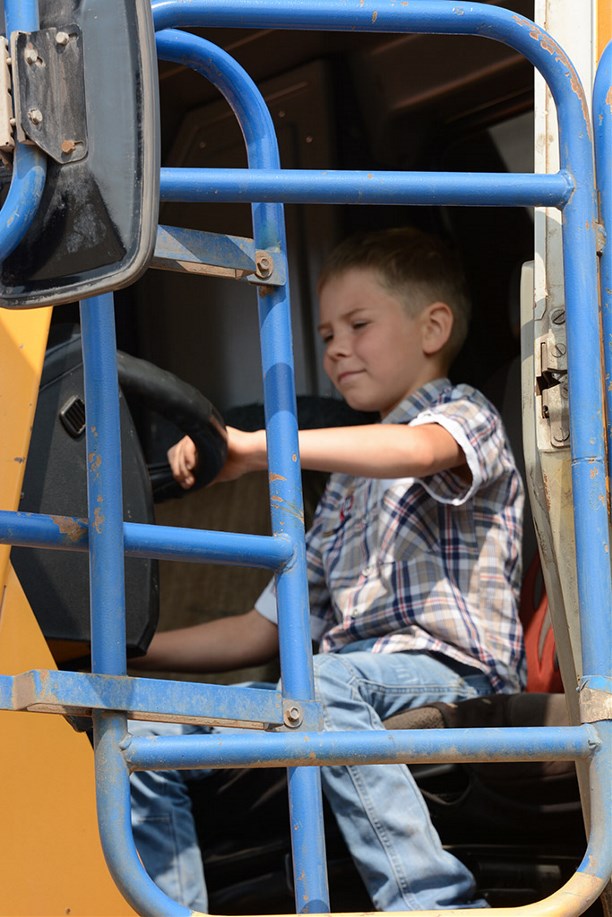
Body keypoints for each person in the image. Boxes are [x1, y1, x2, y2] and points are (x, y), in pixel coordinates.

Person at [130, 226, 525, 912]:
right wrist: (127, 651)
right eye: (325, 334)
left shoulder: (464, 413)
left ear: (433, 328)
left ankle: (435, 902)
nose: (337, 347)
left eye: (358, 325)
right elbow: (260, 630)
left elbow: (416, 452)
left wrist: (262, 448)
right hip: (342, 683)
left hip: (454, 671)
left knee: (319, 680)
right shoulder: (344, 483)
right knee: (145, 737)